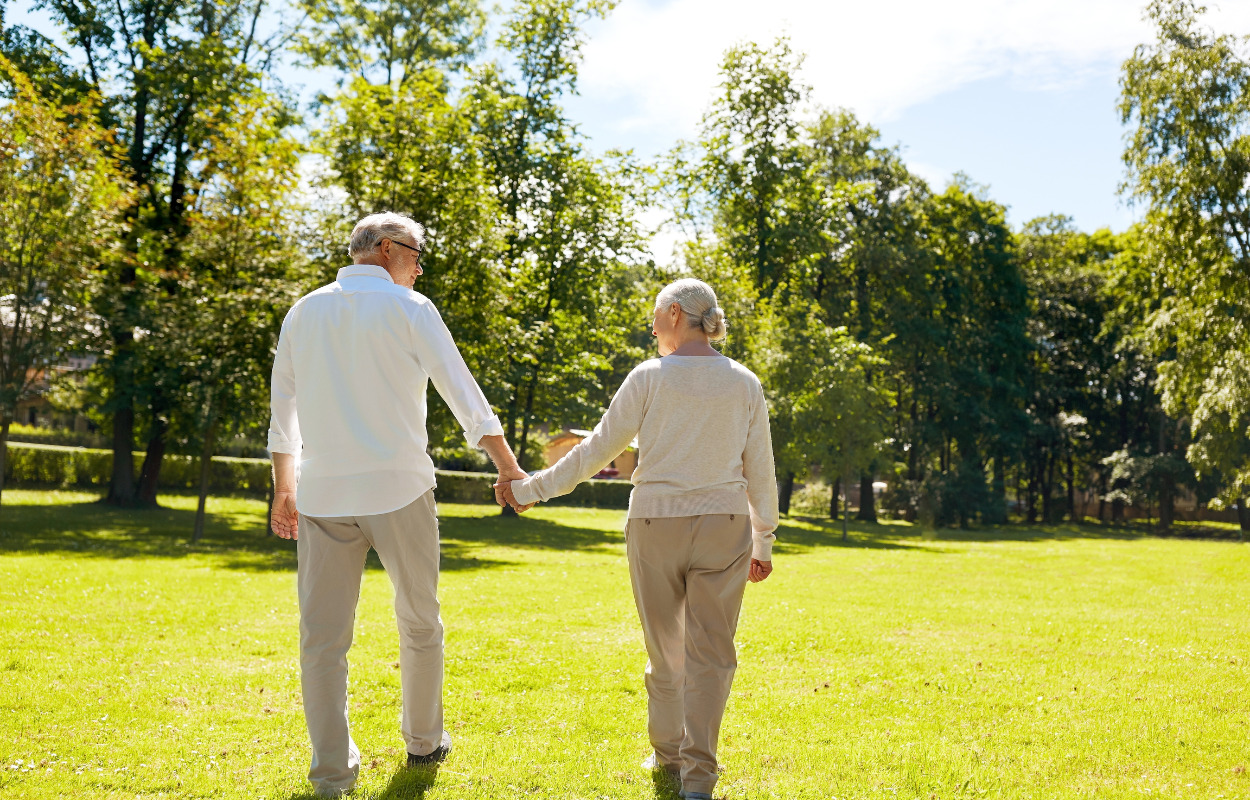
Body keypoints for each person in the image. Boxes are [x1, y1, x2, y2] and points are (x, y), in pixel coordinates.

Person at [267, 212, 526, 798]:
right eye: (415, 253)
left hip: (324, 494)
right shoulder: (413, 310)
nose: (419, 265)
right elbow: (464, 393)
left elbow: (284, 410)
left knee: (322, 639)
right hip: (400, 490)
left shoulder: (304, 311)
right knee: (419, 620)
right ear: (386, 249)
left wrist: (285, 488)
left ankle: (331, 773)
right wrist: (508, 466)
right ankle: (423, 741)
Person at [498, 278, 778, 800]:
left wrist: (532, 489)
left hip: (654, 526)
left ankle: (669, 753)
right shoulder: (745, 382)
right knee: (712, 654)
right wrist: (763, 540)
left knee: (666, 649)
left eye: (654, 316)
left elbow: (596, 451)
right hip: (724, 525)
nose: (651, 327)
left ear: (675, 314)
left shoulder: (649, 376)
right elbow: (760, 468)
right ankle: (698, 776)